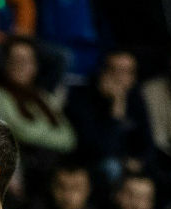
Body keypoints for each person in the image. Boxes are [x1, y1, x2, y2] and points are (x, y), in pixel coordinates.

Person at [0, 36, 76, 192]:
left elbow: (69, 138)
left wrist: (41, 133)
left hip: (52, 164)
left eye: (27, 61)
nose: (21, 66)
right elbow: (23, 131)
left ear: (35, 67)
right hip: (25, 166)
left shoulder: (43, 97)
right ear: (5, 64)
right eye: (16, 60)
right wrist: (50, 132)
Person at [64, 50, 156, 187]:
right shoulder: (81, 98)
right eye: (114, 70)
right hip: (89, 163)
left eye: (126, 72)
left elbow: (147, 141)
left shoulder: (135, 99)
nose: (119, 78)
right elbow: (96, 149)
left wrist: (139, 161)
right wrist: (116, 110)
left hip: (125, 161)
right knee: (111, 167)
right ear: (102, 72)